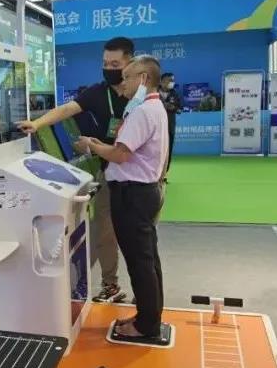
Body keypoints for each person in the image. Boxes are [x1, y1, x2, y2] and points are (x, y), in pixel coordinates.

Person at [18, 36, 134, 303]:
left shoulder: (141, 98)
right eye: (105, 63)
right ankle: (110, 285)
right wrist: (37, 124)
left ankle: (146, 296)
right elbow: (67, 109)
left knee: (139, 239)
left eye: (115, 64)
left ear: (130, 63)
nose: (108, 68)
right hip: (109, 173)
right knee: (105, 232)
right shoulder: (97, 92)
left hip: (140, 180)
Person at [75, 55, 168, 338]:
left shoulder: (142, 112)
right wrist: (101, 145)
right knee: (147, 259)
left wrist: (91, 146)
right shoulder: (154, 108)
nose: (122, 83)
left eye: (127, 77)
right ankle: (148, 317)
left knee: (140, 262)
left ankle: (146, 326)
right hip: (143, 192)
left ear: (143, 78)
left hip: (132, 195)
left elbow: (120, 155)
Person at [159, 73, 181, 176]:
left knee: (168, 151)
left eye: (173, 80)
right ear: (162, 81)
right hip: (157, 127)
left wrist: (172, 107)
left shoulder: (174, 94)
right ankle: (155, 175)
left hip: (169, 127)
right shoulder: (154, 91)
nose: (172, 82)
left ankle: (164, 175)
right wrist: (163, 105)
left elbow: (178, 107)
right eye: (170, 80)